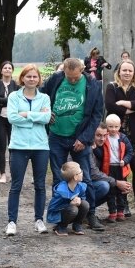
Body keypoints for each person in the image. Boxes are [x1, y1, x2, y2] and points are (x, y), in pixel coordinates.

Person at [40, 57, 104, 190]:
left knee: (84, 176)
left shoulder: (93, 84)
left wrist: (84, 138)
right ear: (64, 71)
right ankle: (60, 208)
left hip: (80, 137)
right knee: (58, 177)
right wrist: (45, 111)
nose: (72, 80)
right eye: (69, 78)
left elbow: (97, 115)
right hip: (56, 135)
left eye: (75, 77)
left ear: (82, 70)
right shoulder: (56, 78)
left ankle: (88, 210)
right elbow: (40, 96)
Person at [4, 64, 51, 236]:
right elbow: (12, 118)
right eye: (28, 76)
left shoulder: (44, 97)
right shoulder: (14, 96)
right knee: (16, 185)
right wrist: (35, 117)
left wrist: (27, 115)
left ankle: (39, 220)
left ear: (39, 79)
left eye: (35, 76)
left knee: (40, 185)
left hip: (40, 146)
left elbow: (46, 118)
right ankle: (12, 222)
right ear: (22, 78)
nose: (32, 79)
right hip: (19, 146)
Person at [104, 59, 135, 214]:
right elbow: (110, 106)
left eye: (130, 71)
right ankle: (124, 204)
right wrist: (131, 106)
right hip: (117, 134)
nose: (127, 73)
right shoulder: (111, 87)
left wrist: (122, 103)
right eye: (124, 70)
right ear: (119, 72)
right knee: (120, 169)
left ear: (134, 73)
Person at [88, 123, 133, 230]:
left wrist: (123, 184)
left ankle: (119, 211)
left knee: (111, 187)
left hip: (93, 182)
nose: (102, 139)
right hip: (81, 184)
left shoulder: (103, 148)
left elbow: (128, 152)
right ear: (92, 134)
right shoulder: (88, 147)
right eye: (98, 135)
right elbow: (94, 173)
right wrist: (117, 183)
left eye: (104, 135)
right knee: (105, 186)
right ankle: (88, 212)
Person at [0, 61, 20, 183]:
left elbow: (17, 100)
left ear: (12, 70)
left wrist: (3, 101)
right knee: (2, 146)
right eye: (5, 68)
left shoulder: (16, 85)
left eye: (9, 68)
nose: (7, 70)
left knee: (12, 147)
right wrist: (9, 100)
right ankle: (3, 174)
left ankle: (13, 173)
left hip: (13, 119)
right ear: (1, 70)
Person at [101, 114, 133, 222]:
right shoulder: (104, 138)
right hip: (108, 168)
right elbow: (99, 151)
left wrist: (125, 161)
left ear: (119, 126)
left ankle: (120, 211)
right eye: (110, 126)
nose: (113, 129)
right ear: (106, 126)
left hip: (121, 168)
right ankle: (112, 212)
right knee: (111, 190)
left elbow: (130, 152)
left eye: (115, 127)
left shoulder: (123, 138)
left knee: (122, 191)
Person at [46, 161, 89, 236]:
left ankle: (77, 224)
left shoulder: (80, 186)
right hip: (58, 213)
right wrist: (69, 203)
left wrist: (80, 199)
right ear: (75, 177)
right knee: (73, 209)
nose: (82, 172)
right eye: (80, 171)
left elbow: (83, 196)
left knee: (85, 204)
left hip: (69, 211)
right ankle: (61, 226)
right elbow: (55, 207)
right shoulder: (62, 190)